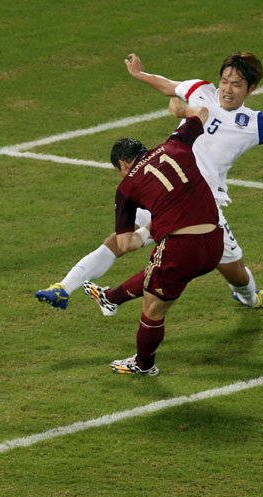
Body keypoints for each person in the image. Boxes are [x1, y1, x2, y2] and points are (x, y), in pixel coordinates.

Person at [36, 52, 263, 312]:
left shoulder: (254, 122)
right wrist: (139, 74)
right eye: (225, 80)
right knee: (121, 242)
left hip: (205, 208)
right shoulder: (201, 90)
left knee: (235, 272)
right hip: (166, 192)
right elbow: (168, 85)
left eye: (236, 84)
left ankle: (249, 298)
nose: (227, 88)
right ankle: (63, 288)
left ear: (251, 89)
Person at [98, 101, 222, 375]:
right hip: (214, 243)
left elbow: (124, 244)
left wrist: (149, 230)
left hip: (181, 248)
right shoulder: (175, 144)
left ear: (122, 164)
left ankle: (144, 365)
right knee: (156, 275)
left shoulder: (127, 186)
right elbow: (202, 113)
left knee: (153, 309)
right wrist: (181, 112)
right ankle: (110, 297)